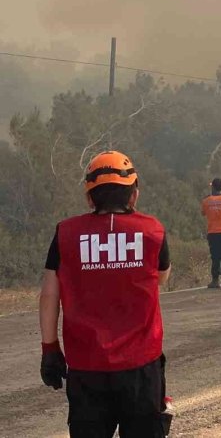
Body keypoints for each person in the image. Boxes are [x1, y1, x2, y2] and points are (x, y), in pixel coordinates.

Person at [39, 150, 173, 437]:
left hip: (86, 369)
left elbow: (50, 293)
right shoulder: (152, 231)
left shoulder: (65, 233)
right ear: (134, 195)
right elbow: (161, 278)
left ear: (90, 197)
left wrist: (49, 349)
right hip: (140, 367)